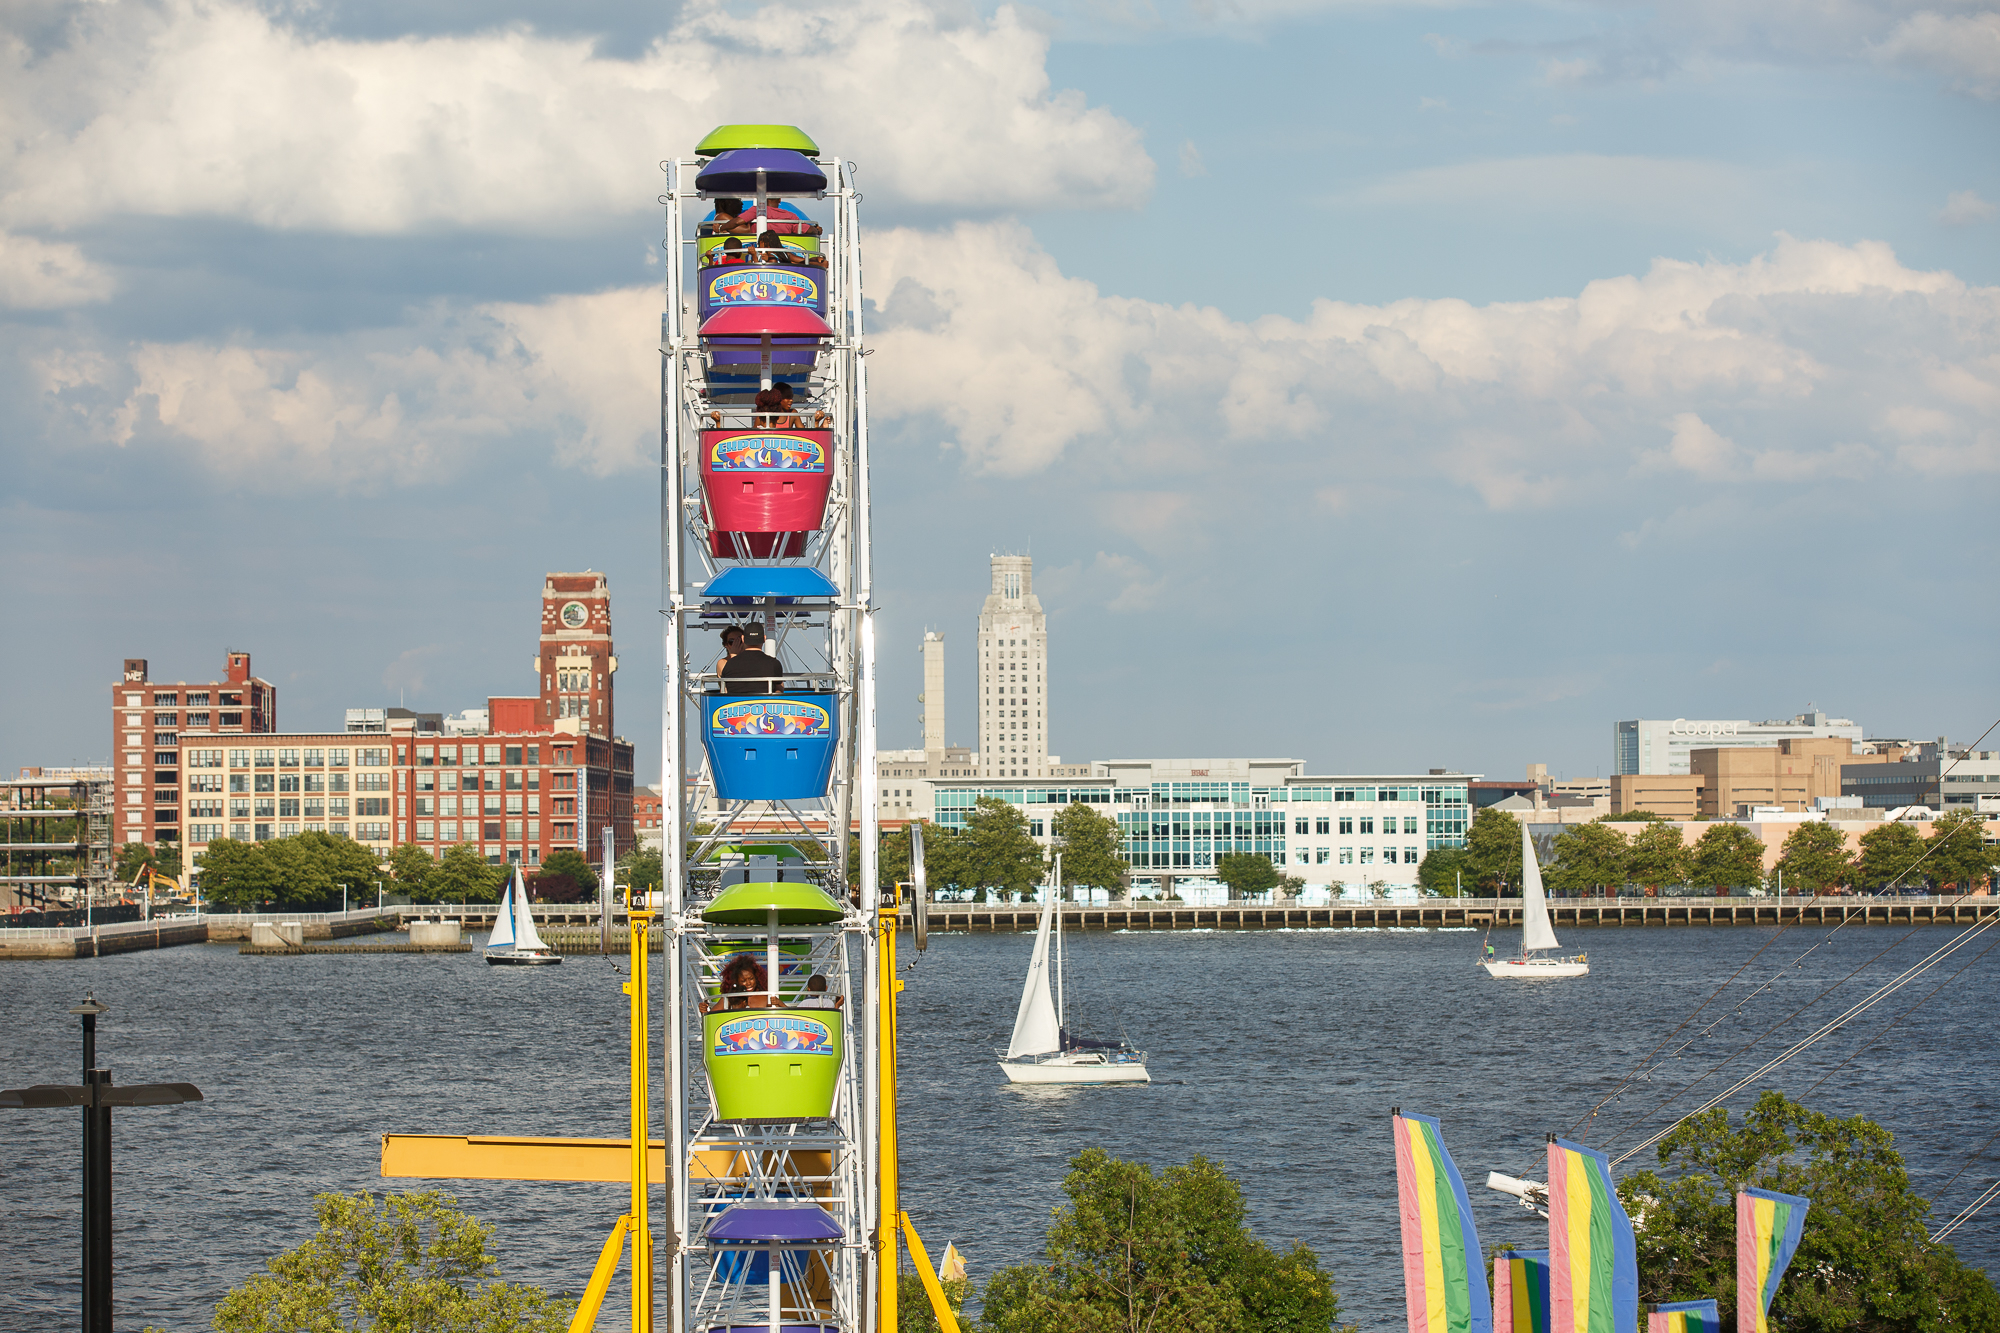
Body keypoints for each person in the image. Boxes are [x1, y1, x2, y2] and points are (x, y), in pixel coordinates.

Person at [720, 623, 785, 695]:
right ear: (764, 639)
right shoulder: (774, 664)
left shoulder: (729, 664)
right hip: (765, 701)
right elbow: (779, 689)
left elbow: (724, 691)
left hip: (734, 701)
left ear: (743, 639)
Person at [703, 953, 769, 1012]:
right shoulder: (731, 997)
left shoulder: (766, 996)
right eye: (743, 981)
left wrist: (775, 1003)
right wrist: (704, 1011)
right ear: (736, 981)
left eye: (751, 979)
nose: (748, 983)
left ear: (756, 977)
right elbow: (712, 1016)